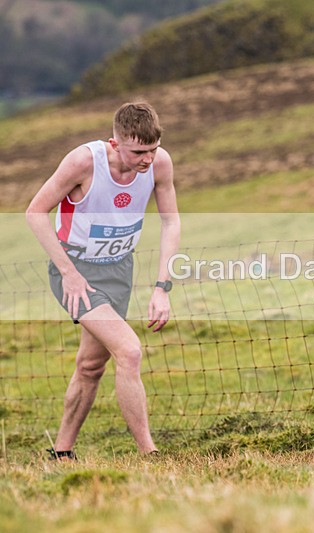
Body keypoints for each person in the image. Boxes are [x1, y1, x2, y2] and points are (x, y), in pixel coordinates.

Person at [25, 101, 180, 459]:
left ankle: (62, 452)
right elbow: (35, 213)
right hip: (75, 272)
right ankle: (149, 455)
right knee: (129, 351)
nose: (147, 160)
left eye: (153, 150)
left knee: (91, 366)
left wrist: (162, 287)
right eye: (139, 152)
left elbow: (171, 222)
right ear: (115, 143)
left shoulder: (160, 164)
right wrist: (70, 274)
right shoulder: (83, 162)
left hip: (119, 270)